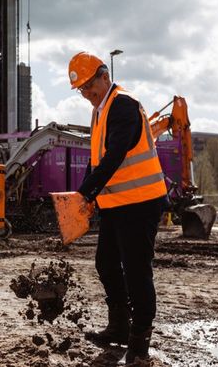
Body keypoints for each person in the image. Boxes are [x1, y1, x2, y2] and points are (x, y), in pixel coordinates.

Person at [68, 52, 168, 364]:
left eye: (89, 86)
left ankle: (139, 342)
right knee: (106, 264)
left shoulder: (123, 104)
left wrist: (86, 193)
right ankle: (120, 327)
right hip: (116, 203)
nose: (87, 94)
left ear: (104, 75)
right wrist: (84, 193)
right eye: (81, 90)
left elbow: (115, 155)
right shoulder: (101, 110)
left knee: (137, 273)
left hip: (140, 203)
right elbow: (96, 159)